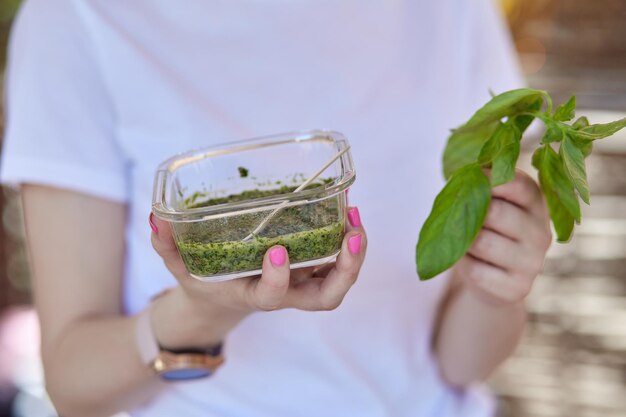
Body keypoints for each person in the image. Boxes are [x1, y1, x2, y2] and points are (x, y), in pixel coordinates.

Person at [0, 0, 552, 416]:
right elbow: (72, 382)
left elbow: (460, 364)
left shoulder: (447, 11)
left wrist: (496, 283)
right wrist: (205, 311)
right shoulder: (76, 17)